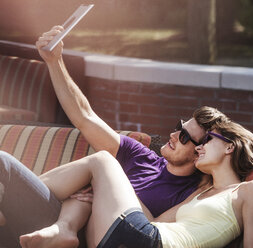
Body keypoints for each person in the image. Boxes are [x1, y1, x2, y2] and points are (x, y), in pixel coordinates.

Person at [0, 25, 230, 247]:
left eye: (184, 137)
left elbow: (149, 231)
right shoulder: (139, 156)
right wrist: (55, 61)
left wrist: (102, 186)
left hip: (92, 238)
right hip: (47, 226)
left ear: (199, 152)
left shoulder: (193, 193)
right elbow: (84, 116)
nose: (173, 135)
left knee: (4, 162)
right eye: (179, 127)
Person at [1, 118, 253, 248]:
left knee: (103, 160)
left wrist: (108, 178)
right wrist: (106, 190)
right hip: (138, 237)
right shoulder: (200, 193)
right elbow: (151, 221)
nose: (199, 148)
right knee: (96, 175)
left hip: (151, 243)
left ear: (229, 146)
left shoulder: (250, 190)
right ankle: (37, 215)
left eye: (206, 141)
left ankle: (15, 204)